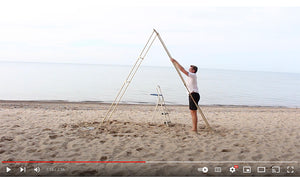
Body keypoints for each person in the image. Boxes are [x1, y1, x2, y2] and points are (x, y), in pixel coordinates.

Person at [170, 58, 200, 132]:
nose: (189, 70)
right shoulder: (191, 76)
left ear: (193, 70)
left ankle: (194, 128)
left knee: (193, 112)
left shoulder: (193, 75)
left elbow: (182, 69)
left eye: (190, 69)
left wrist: (175, 61)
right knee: (192, 112)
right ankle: (194, 128)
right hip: (192, 94)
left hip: (194, 94)